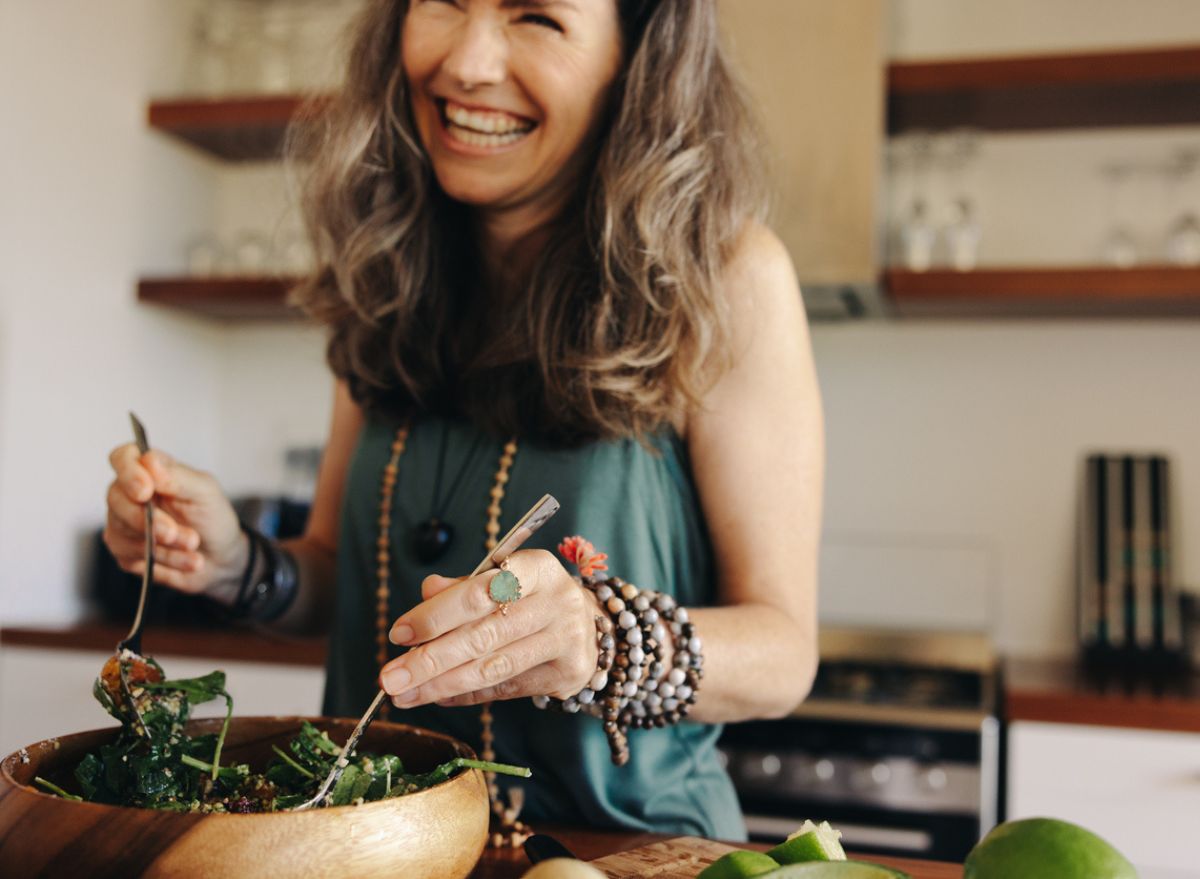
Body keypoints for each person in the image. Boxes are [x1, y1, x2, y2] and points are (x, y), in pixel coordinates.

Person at [104, 0, 823, 842]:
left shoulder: (728, 275)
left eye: (538, 17)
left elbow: (784, 654)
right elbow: (344, 576)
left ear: (634, 62)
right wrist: (240, 564)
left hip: (623, 852)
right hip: (368, 846)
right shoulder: (381, 264)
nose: (469, 62)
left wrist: (596, 641)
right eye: (444, 1)